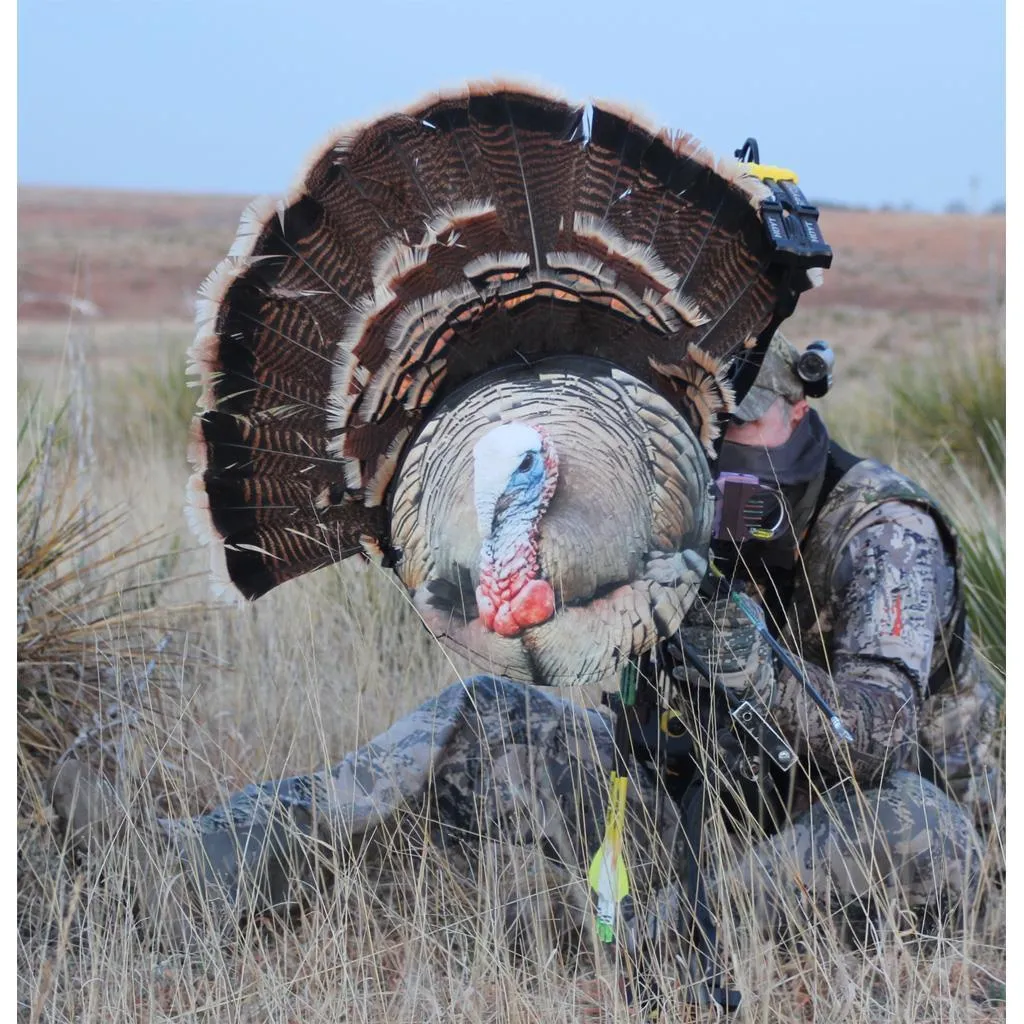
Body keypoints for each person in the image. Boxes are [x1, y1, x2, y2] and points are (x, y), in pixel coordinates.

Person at [50, 334, 998, 1002]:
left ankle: (638, 940)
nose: (720, 450)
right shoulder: (677, 503)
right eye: (701, 426)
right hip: (728, 803)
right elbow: (611, 692)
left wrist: (744, 655)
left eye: (742, 424)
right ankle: (197, 864)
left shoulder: (880, 528)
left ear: (800, 405)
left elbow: (876, 742)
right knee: (484, 716)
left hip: (891, 830)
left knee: (914, 824)